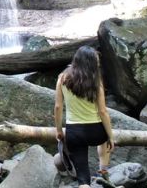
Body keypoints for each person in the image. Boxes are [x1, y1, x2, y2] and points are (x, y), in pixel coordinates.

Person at [54, 46, 115, 188]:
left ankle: (85, 183)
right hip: (96, 131)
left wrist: (58, 130)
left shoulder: (62, 78)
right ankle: (103, 172)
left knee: (83, 179)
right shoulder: (96, 81)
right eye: (96, 61)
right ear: (90, 63)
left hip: (74, 132)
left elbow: (58, 107)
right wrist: (111, 136)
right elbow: (103, 112)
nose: (98, 64)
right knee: (104, 141)